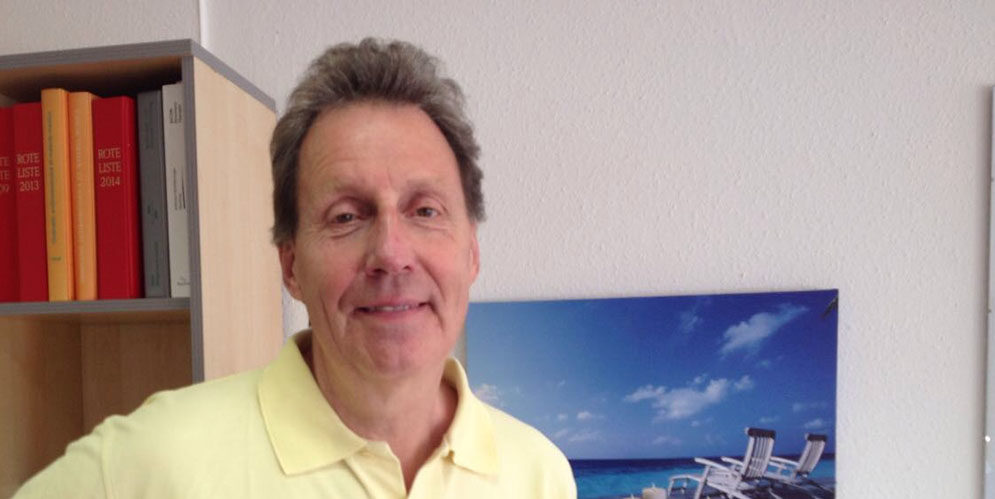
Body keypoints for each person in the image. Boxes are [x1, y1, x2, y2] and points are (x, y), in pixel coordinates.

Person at [14, 38, 575, 498]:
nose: (391, 252)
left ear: (471, 251)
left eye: (425, 211)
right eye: (346, 216)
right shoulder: (151, 460)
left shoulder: (539, 474)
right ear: (291, 265)